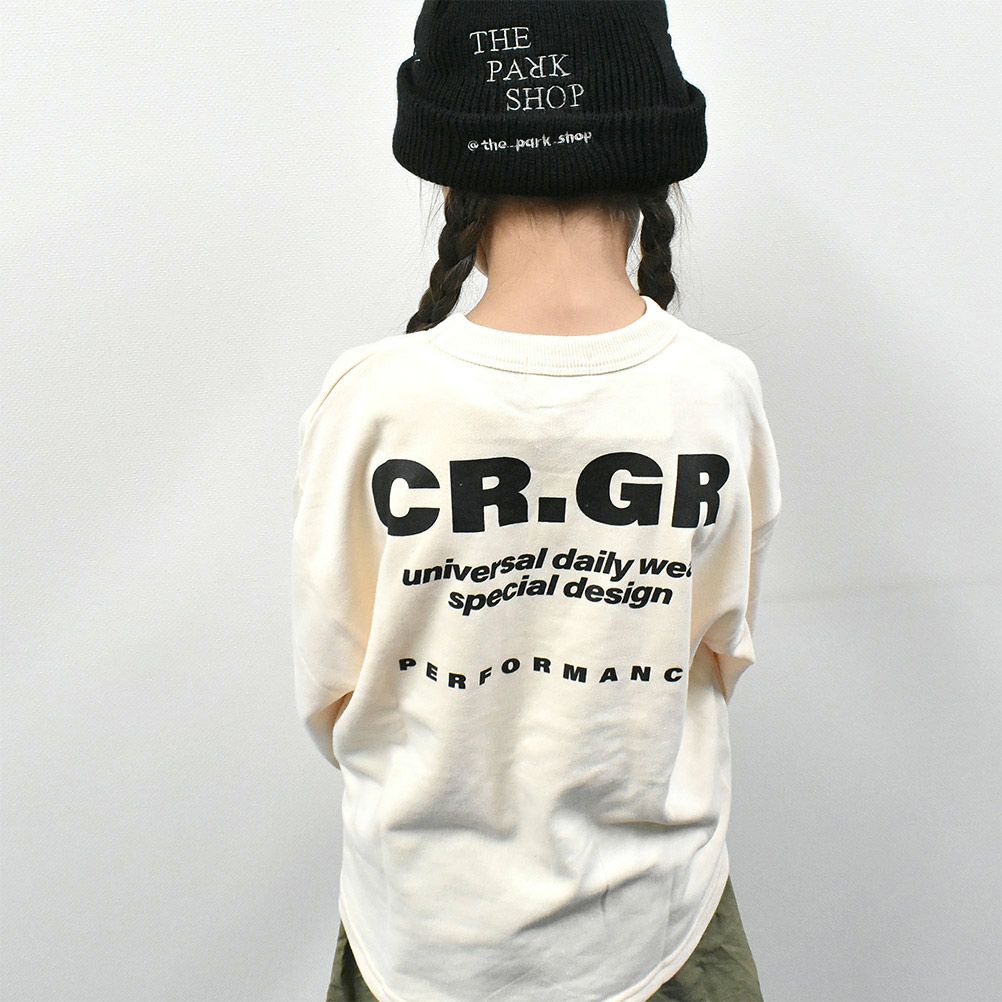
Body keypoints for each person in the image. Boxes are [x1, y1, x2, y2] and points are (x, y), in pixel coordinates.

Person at [292, 3, 782, 1000]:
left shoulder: (372, 400)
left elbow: (337, 693)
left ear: (446, 177)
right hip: (659, 935)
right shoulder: (715, 392)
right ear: (658, 166)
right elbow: (716, 651)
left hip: (420, 943)